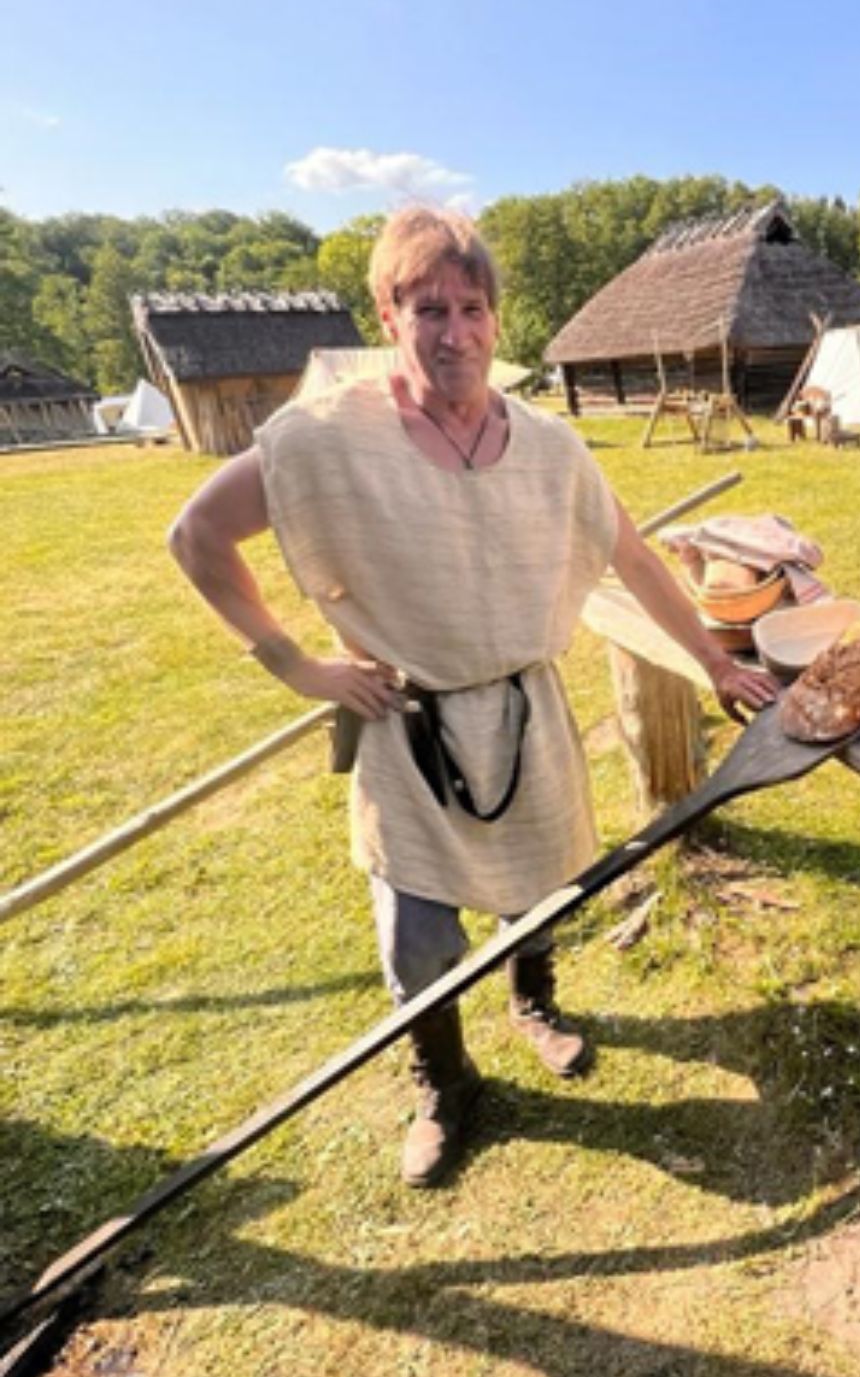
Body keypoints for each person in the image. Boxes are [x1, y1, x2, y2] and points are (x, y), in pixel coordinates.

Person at [168, 206, 779, 1188]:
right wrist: (299, 669)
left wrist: (714, 662)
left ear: (497, 321)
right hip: (406, 727)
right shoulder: (324, 441)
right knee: (416, 939)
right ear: (388, 314)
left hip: (524, 713)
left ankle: (534, 1003)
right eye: (427, 309)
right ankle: (445, 1085)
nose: (454, 332)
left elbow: (630, 554)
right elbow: (195, 537)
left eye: (472, 308)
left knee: (537, 898)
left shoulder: (548, 446)